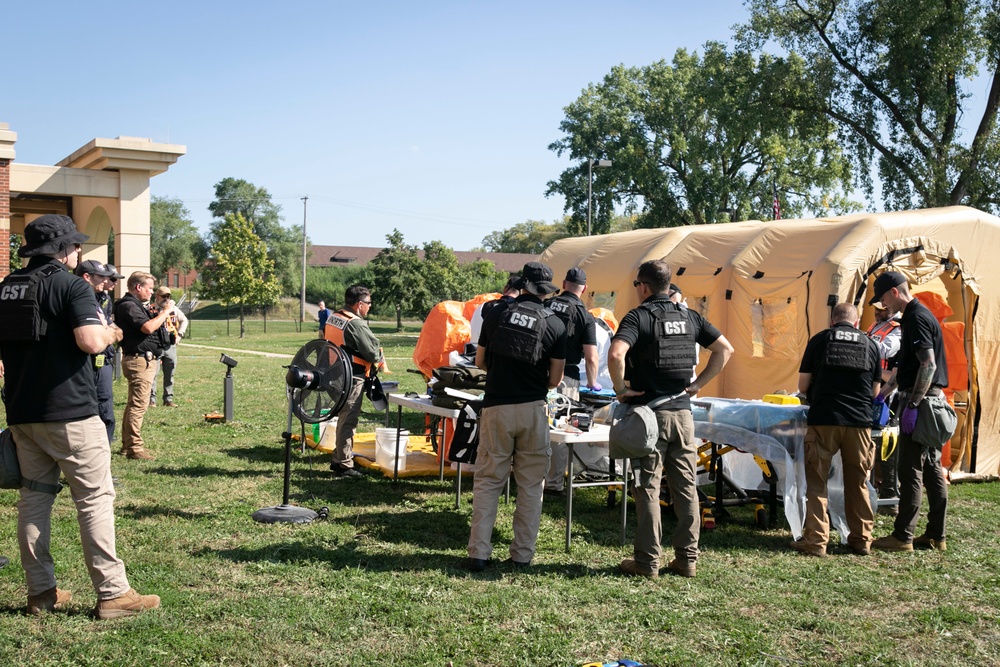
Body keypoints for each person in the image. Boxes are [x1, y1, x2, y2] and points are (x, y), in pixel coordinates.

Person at [0, 214, 159, 618]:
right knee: (94, 499)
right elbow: (90, 341)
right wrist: (113, 333)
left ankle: (41, 593)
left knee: (34, 500)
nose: (79, 252)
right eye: (75, 245)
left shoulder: (8, 288)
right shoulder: (72, 286)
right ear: (63, 250)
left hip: (21, 411)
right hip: (70, 413)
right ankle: (113, 594)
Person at [609, 260, 733, 578]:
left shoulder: (639, 316)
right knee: (686, 488)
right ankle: (687, 560)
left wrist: (620, 389)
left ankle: (647, 562)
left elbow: (616, 353)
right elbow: (725, 350)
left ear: (645, 287)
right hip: (682, 414)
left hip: (650, 416)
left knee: (648, 488)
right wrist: (697, 385)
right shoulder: (689, 316)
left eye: (637, 284)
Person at [464, 262, 567, 571]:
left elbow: (480, 360)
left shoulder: (495, 313)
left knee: (488, 482)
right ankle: (522, 556)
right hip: (534, 409)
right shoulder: (557, 324)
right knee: (532, 485)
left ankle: (478, 553)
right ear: (546, 290)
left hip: (496, 408)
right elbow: (555, 379)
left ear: (523, 285)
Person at [870, 272, 951, 553]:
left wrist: (913, 406)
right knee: (931, 470)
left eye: (882, 298)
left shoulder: (916, 317)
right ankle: (935, 535)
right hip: (928, 400)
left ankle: (903, 536)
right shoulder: (916, 316)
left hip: (922, 404)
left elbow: (927, 365)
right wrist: (883, 394)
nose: (882, 305)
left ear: (894, 291)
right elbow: (906, 368)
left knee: (910, 470)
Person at [793, 303, 881, 557]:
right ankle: (861, 539)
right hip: (859, 424)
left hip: (824, 419)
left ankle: (816, 542)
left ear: (833, 321)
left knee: (817, 481)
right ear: (856, 322)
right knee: (858, 482)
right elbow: (875, 392)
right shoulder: (870, 344)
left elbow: (803, 385)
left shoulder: (820, 340)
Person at [543, 266, 600, 496]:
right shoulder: (585, 316)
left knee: (535, 424)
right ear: (584, 289)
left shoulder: (546, 304)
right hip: (565, 378)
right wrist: (592, 383)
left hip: (538, 372)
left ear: (564, 284)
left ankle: (526, 477)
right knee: (560, 430)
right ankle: (554, 485)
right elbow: (591, 357)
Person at [323, 285, 385, 477]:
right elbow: (372, 353)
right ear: (359, 305)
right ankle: (343, 464)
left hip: (334, 373)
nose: (370, 306)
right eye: (368, 303)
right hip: (352, 376)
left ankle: (340, 456)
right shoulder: (356, 323)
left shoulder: (334, 316)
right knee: (348, 420)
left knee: (343, 418)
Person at [114, 272, 174, 460]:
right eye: (149, 288)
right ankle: (134, 448)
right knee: (139, 405)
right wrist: (165, 312)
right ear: (138, 287)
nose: (151, 292)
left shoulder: (135, 305)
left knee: (135, 404)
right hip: (139, 361)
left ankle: (128, 445)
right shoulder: (128, 306)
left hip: (144, 359)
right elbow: (147, 328)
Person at [75, 260, 119, 445]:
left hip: (102, 360)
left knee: (105, 409)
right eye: (101, 276)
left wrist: (109, 331)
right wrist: (111, 333)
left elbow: (109, 326)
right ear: (87, 277)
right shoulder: (79, 299)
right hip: (84, 362)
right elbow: (99, 335)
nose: (106, 280)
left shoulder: (100, 299)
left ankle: (103, 460)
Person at [866, 302, 903, 513]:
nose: (878, 311)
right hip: (875, 390)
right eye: (876, 307)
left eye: (882, 308)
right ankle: (876, 488)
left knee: (888, 441)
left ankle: (889, 494)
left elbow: (885, 350)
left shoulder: (897, 328)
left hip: (889, 393)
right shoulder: (875, 325)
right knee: (875, 440)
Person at [149, 286, 188, 408]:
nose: (166, 299)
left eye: (168, 296)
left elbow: (184, 320)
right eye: (163, 296)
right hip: (155, 344)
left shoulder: (174, 309)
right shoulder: (151, 309)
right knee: (153, 373)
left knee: (170, 372)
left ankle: (168, 399)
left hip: (170, 345)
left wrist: (180, 335)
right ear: (157, 297)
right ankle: (151, 400)